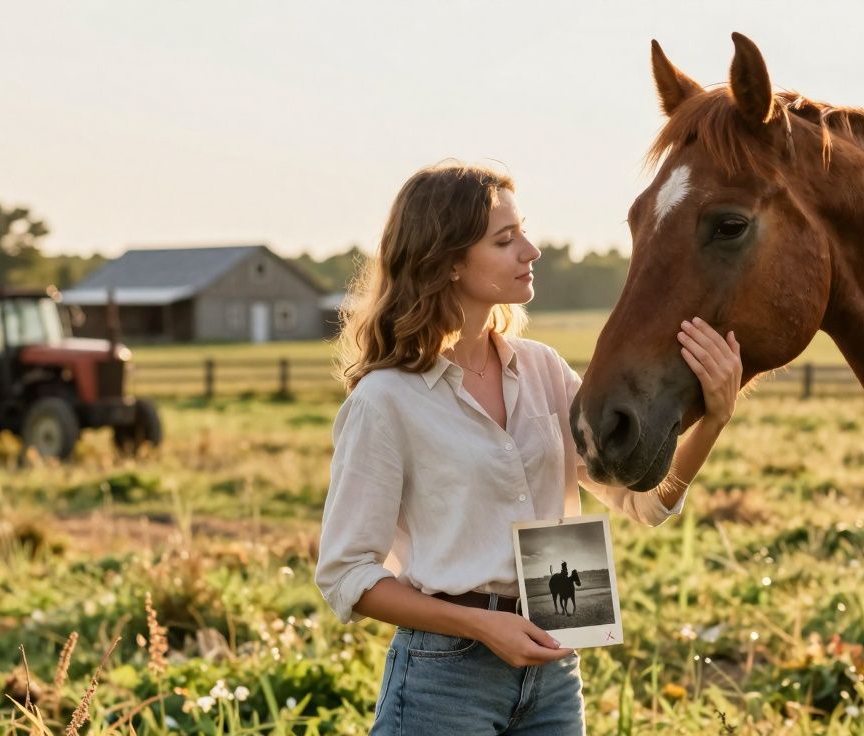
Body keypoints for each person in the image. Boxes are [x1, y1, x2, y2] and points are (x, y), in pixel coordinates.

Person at [314, 162, 742, 734]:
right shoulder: (385, 399)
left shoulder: (543, 369)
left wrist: (713, 419)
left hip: (555, 668)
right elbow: (346, 575)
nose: (532, 251)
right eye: (505, 240)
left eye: (524, 232)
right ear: (447, 261)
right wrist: (482, 626)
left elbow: (643, 501)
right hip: (446, 678)